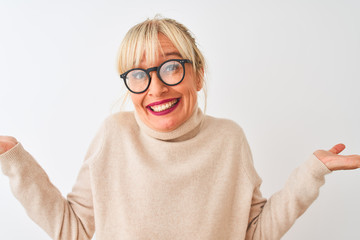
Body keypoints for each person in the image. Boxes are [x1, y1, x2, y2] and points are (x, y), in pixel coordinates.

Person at [0, 16, 359, 240]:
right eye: (138, 75)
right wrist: (16, 164)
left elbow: (252, 234)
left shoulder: (228, 139)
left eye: (171, 67)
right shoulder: (114, 134)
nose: (155, 88)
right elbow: (74, 232)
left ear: (198, 74)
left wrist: (311, 173)